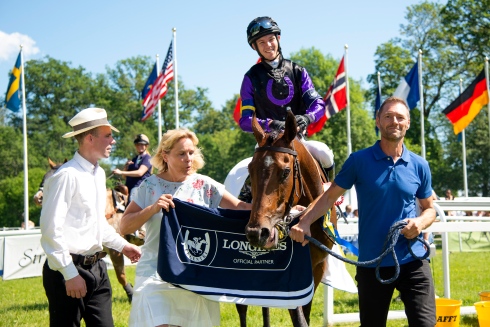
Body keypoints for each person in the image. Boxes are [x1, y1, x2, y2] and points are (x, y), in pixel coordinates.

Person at [289, 97, 437, 326]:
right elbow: (329, 196)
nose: (394, 122)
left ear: (408, 123)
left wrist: (419, 223)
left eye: (400, 117)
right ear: (378, 121)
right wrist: (305, 222)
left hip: (413, 259)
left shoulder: (420, 165)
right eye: (387, 116)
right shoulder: (359, 160)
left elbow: (429, 209)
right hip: (372, 263)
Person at [119, 128, 254, 327]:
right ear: (165, 155)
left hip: (194, 274)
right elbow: (124, 225)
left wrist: (289, 212)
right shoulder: (149, 186)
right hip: (155, 273)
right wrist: (152, 208)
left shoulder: (206, 185)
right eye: (181, 154)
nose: (188, 159)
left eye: (191, 152)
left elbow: (243, 208)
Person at [40, 107, 142, 327]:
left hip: (98, 268)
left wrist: (124, 246)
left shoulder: (99, 173)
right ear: (89, 138)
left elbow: (97, 224)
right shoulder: (66, 176)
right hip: (67, 270)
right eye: (108, 135)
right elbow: (50, 230)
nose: (113, 141)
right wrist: (69, 274)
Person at [239, 16, 334, 170]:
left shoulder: (298, 71)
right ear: (254, 46)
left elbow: (318, 104)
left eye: (271, 39)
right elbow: (245, 120)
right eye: (261, 42)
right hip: (266, 143)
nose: (268, 45)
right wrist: (270, 124)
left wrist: (307, 117)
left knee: (325, 154)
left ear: (278, 38)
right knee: (243, 175)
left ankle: (329, 193)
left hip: (297, 139)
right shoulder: (250, 78)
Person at [113, 133, 153, 202]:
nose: (139, 146)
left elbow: (140, 173)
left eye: (142, 144)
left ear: (146, 146)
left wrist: (120, 172)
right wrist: (126, 166)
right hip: (129, 186)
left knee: (132, 200)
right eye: (137, 144)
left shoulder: (148, 158)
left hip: (140, 187)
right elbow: (124, 176)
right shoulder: (134, 159)